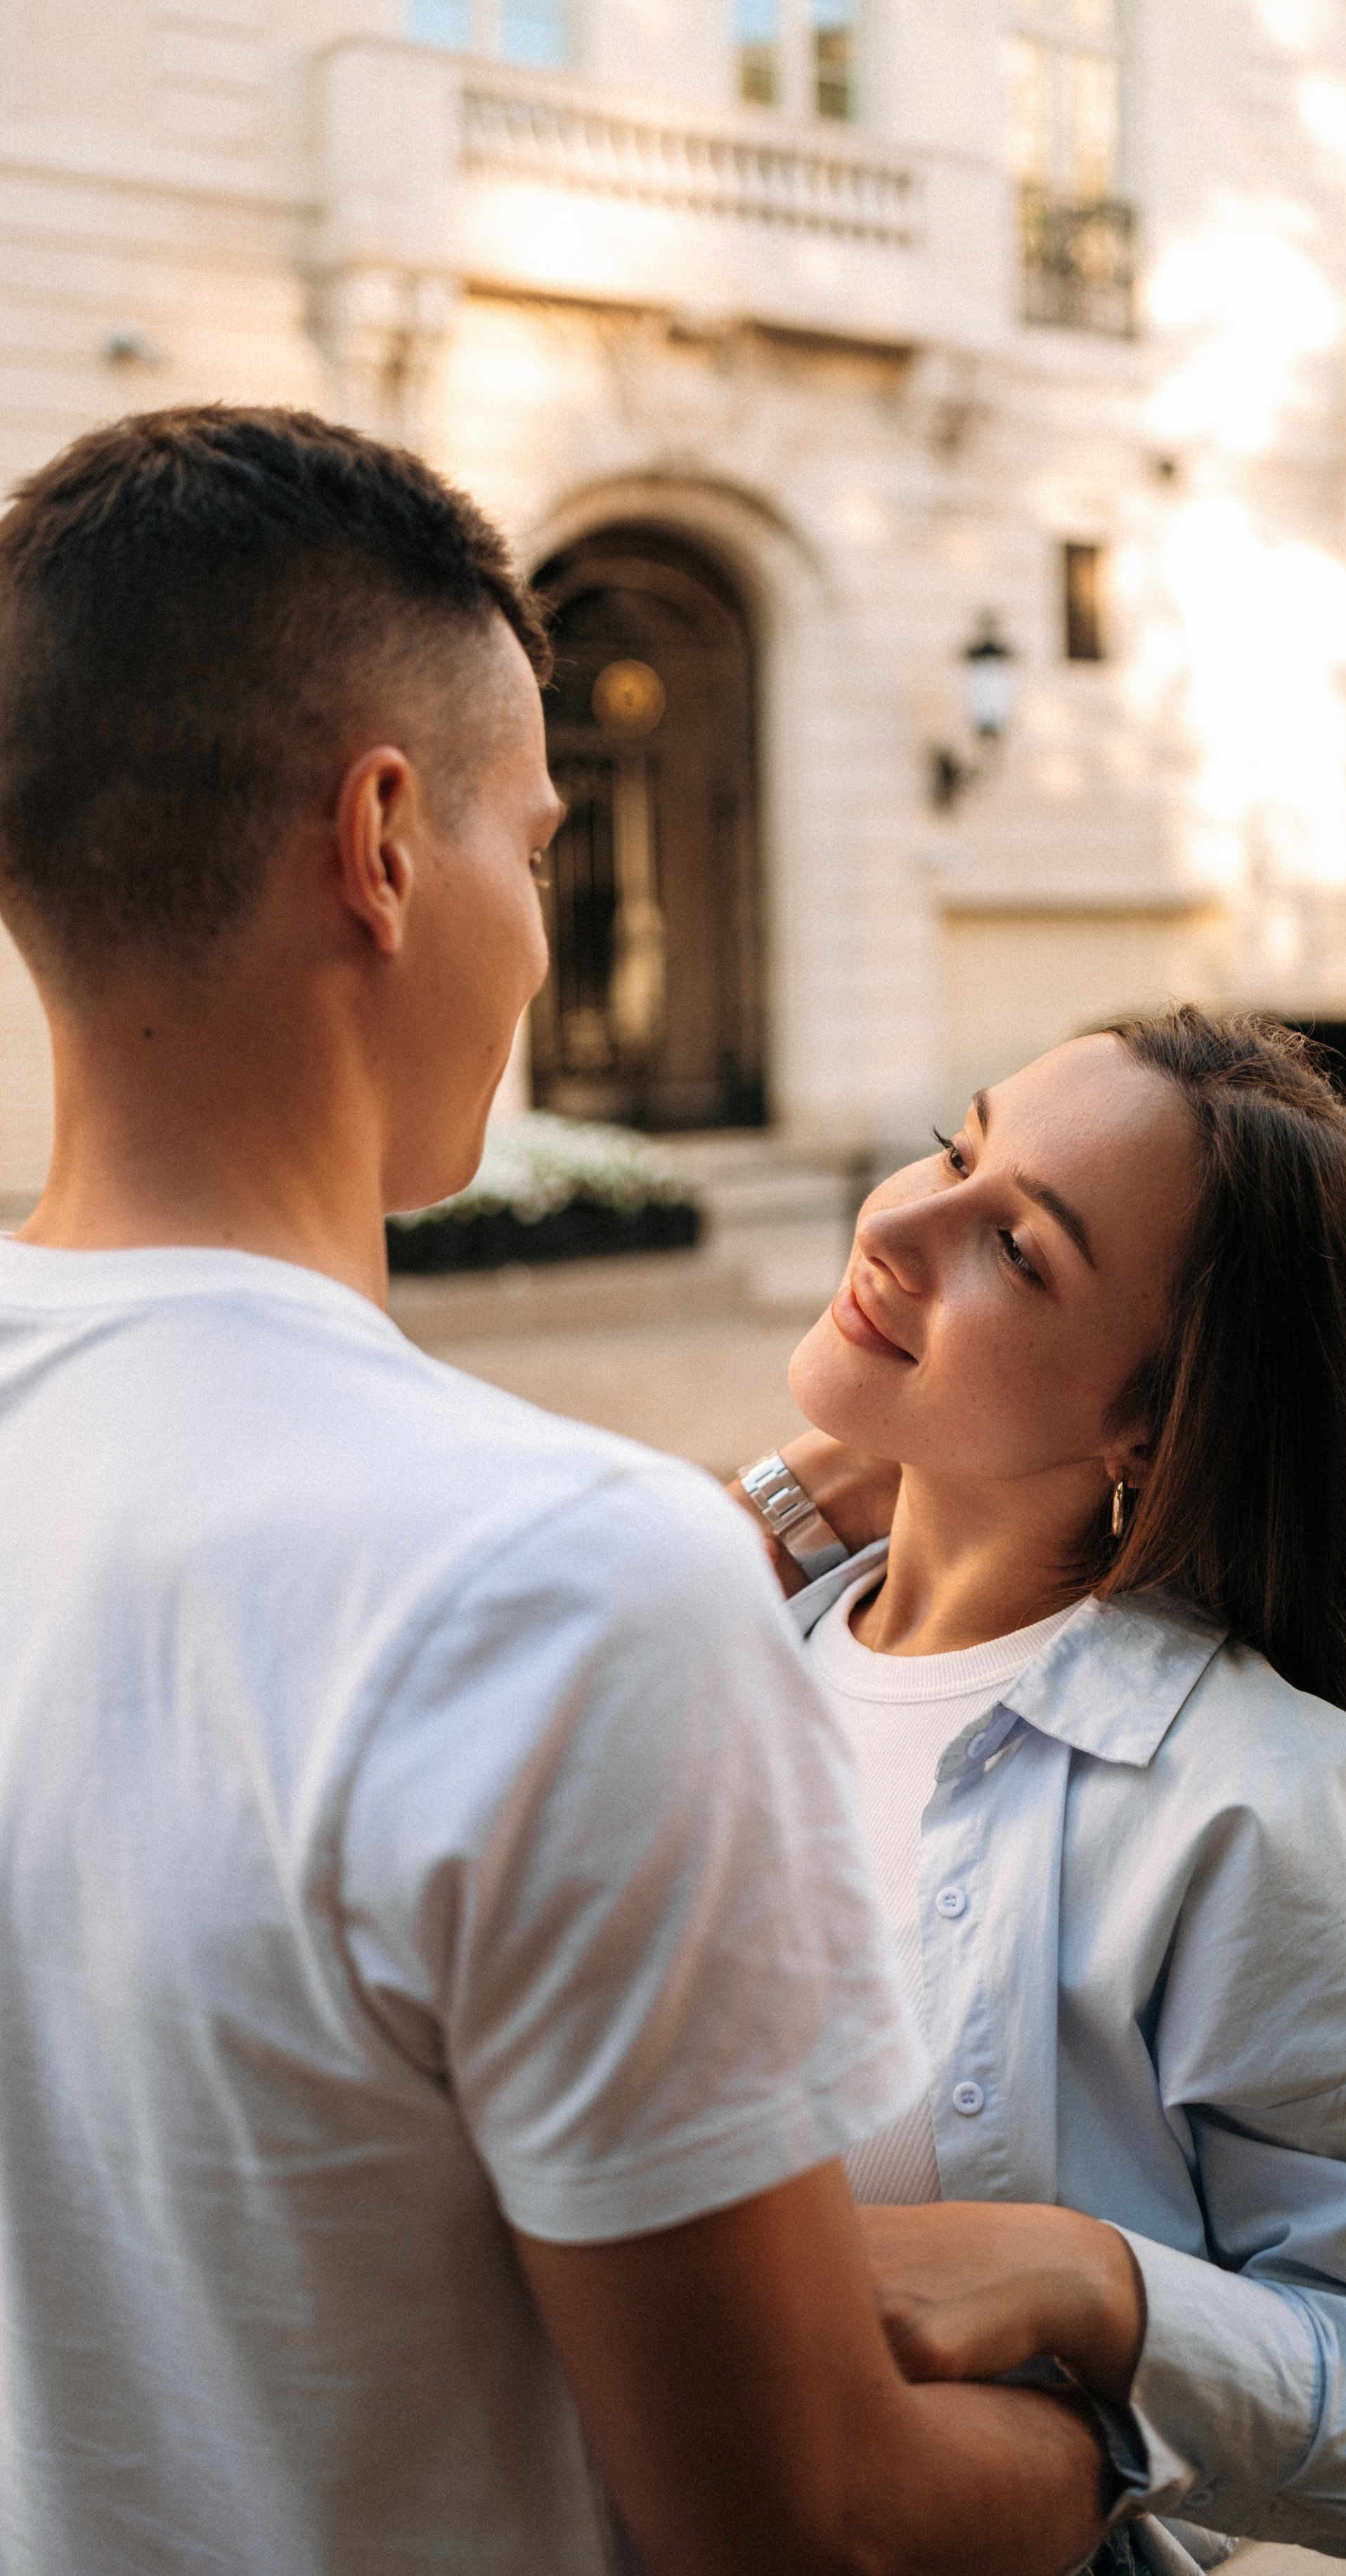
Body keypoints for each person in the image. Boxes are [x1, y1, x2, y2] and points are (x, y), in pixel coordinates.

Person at [0, 407, 1125, 2575]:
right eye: (538, 841)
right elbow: (811, 2522)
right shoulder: (558, 1590)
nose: (539, 926)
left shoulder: (542, 1579)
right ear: (386, 843)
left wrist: (780, 1516)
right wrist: (1131, 2416)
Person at [734, 1013, 1346, 2572]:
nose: (897, 1225)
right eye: (952, 1152)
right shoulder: (720, 1649)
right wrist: (770, 1513)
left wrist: (1085, 2281)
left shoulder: (1257, 1809)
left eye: (1017, 1250)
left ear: (1150, 1420)